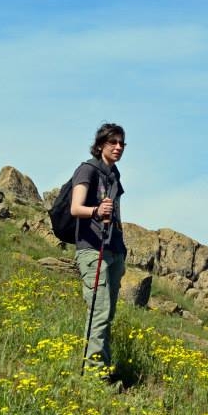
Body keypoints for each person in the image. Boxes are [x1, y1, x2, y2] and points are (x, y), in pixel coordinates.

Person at [70, 123, 127, 377]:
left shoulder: (114, 176)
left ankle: (102, 370)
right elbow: (75, 208)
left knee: (107, 313)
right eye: (113, 142)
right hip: (92, 249)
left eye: (121, 143)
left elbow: (116, 213)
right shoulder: (87, 170)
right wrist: (95, 211)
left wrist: (122, 249)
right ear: (101, 144)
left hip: (113, 250)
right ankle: (94, 376)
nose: (118, 147)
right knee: (100, 311)